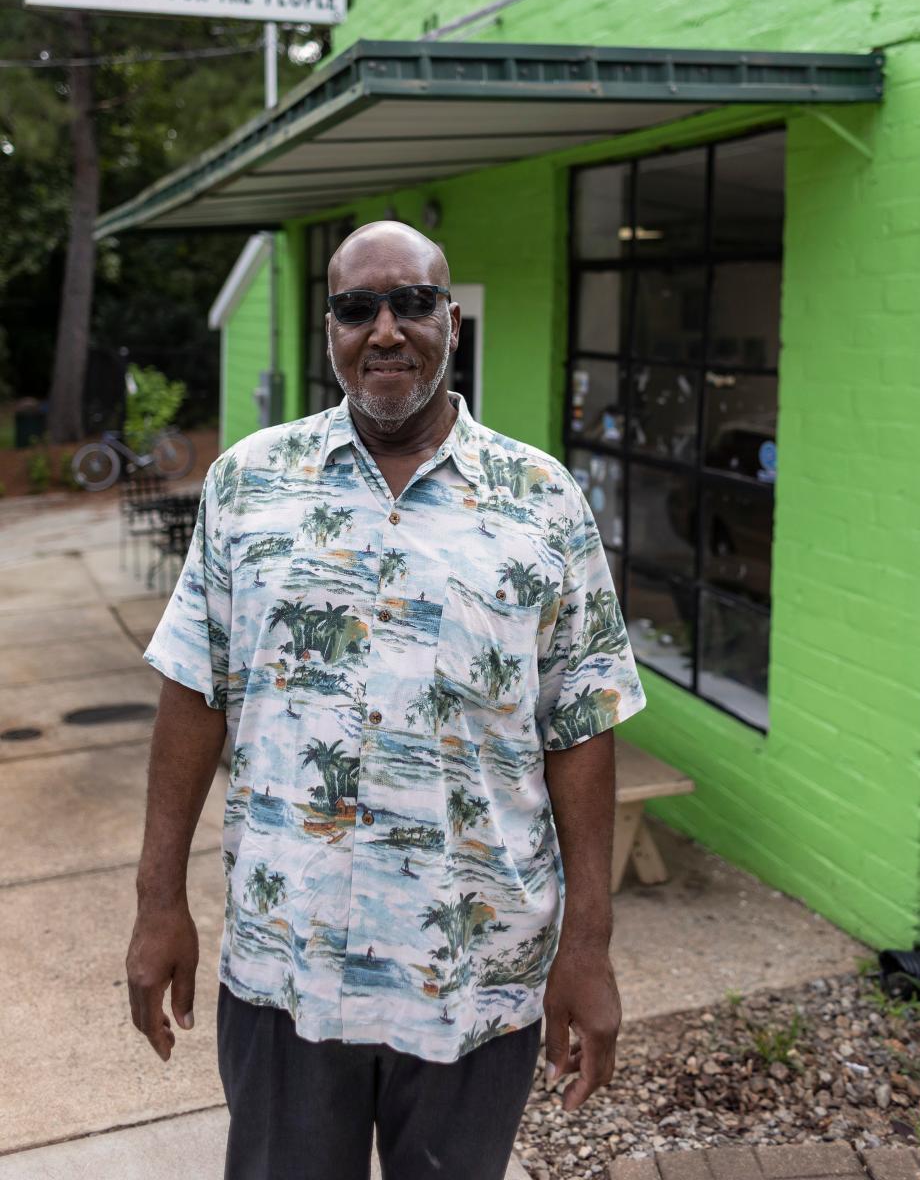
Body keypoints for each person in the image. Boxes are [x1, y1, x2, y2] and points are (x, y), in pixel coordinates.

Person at [125, 219, 645, 1180]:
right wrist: (159, 901)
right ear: (331, 330)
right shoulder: (248, 486)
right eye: (358, 307)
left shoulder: (544, 502)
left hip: (474, 971)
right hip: (288, 964)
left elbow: (582, 724)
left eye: (411, 302)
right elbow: (195, 693)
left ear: (451, 318)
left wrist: (591, 944)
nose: (387, 329)